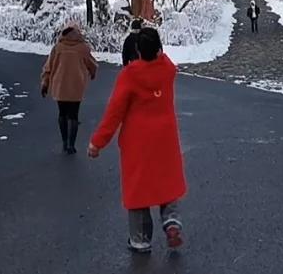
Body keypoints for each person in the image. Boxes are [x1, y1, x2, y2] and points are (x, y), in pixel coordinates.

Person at [88, 28, 186, 253]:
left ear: (138, 51)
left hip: (138, 142)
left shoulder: (130, 76)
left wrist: (97, 142)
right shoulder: (167, 70)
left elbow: (114, 113)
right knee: (166, 180)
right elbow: (165, 59)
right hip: (165, 138)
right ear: (159, 48)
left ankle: (140, 239)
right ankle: (171, 223)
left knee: (139, 189)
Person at [40, 24, 98, 154]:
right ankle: (72, 144)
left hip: (59, 85)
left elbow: (48, 67)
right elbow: (92, 64)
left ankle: (64, 141)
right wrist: (92, 72)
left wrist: (45, 83)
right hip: (76, 86)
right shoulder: (83, 48)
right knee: (73, 115)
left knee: (62, 114)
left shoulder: (57, 48)